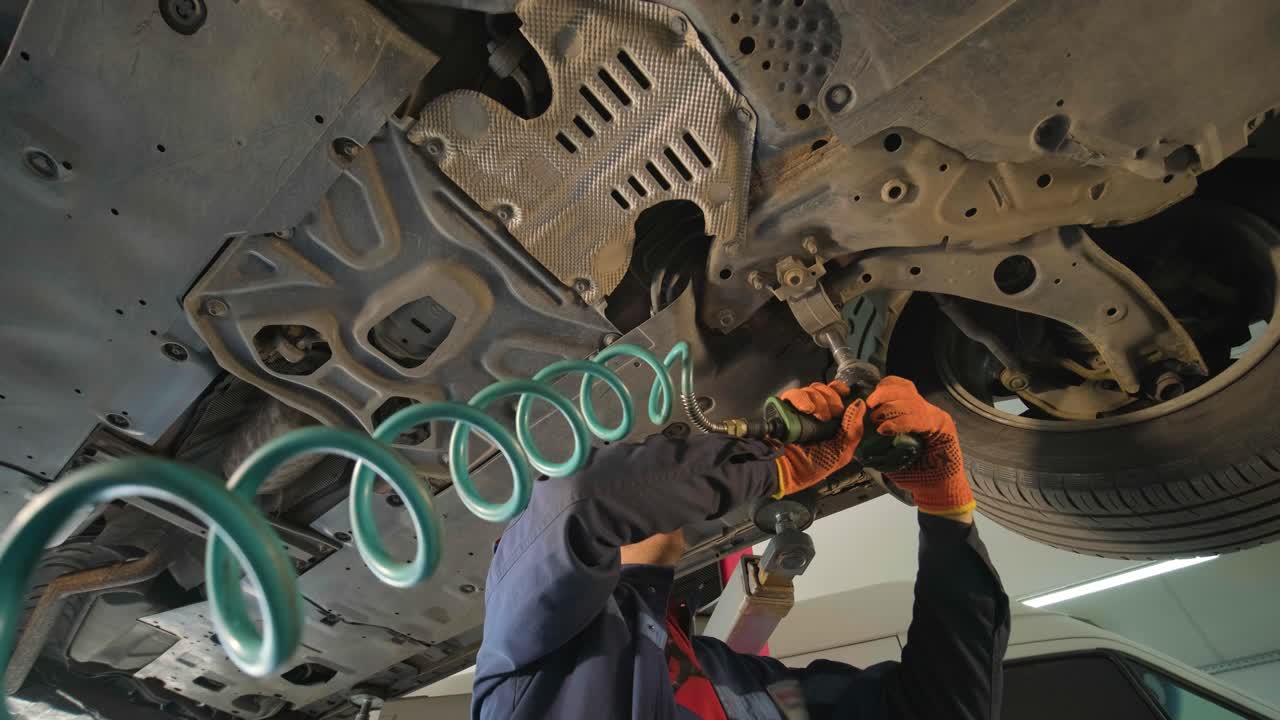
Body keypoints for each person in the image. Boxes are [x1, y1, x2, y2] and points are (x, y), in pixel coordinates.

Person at [471, 376, 1010, 719]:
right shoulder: (728, 679)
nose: (661, 484)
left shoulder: (530, 679)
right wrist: (947, 516)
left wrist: (762, 460)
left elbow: (581, 508)